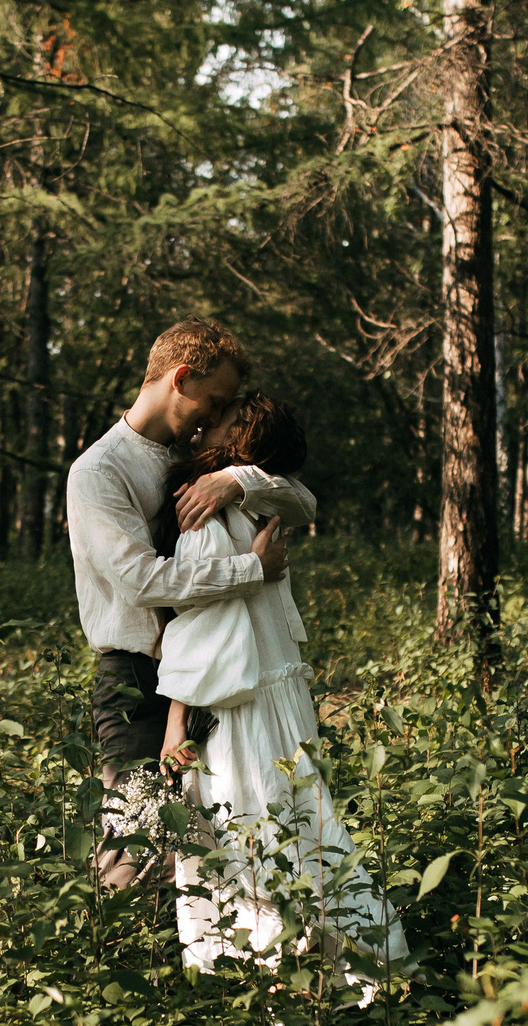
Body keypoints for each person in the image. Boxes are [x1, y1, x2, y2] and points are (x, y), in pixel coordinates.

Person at [151, 392, 408, 977]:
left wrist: (174, 724)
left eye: (216, 419)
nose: (200, 424)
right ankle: (343, 973)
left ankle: (267, 989)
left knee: (244, 845)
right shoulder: (262, 510)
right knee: (299, 831)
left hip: (240, 706)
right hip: (275, 696)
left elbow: (198, 628)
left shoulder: (209, 512)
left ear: (239, 438)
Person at [65, 320, 317, 888]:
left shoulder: (200, 454)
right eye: (215, 401)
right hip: (136, 678)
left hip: (213, 668)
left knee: (212, 833)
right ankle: (120, 960)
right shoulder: (99, 472)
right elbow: (141, 581)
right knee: (132, 839)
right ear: (181, 379)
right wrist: (251, 570)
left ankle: (204, 969)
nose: (214, 416)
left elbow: (303, 499)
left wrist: (239, 482)